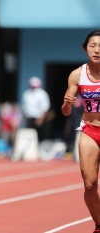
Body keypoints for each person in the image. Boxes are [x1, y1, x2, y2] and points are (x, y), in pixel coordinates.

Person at [62, 29, 100, 233]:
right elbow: (66, 111)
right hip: (89, 130)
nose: (97, 50)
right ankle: (99, 225)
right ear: (86, 49)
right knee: (89, 184)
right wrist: (67, 104)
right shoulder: (77, 74)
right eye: (93, 46)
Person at [21, 76, 50, 142]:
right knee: (29, 134)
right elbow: (25, 107)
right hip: (29, 118)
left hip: (39, 117)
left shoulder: (43, 94)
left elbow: (45, 107)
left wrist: (41, 119)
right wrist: (25, 119)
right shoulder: (26, 94)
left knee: (40, 135)